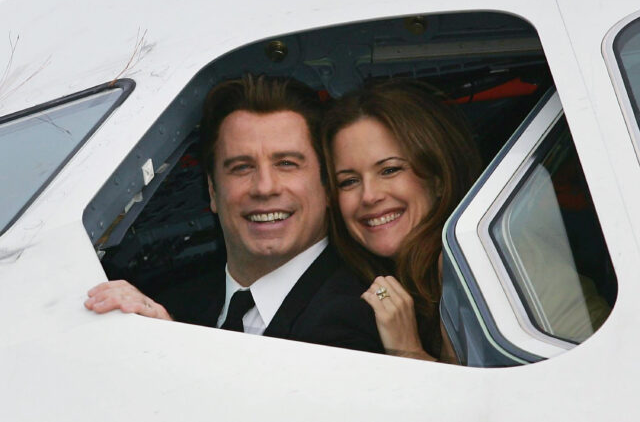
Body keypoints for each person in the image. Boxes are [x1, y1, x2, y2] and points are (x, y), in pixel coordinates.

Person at [85, 75, 383, 354]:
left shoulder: (362, 315)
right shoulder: (173, 300)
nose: (264, 187)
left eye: (287, 164)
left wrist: (171, 348)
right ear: (213, 191)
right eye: (241, 167)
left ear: (327, 185)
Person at [322, 79, 482, 361]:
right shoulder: (359, 284)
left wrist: (407, 349)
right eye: (348, 181)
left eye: (390, 170)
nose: (369, 196)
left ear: (439, 179)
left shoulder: (467, 262)